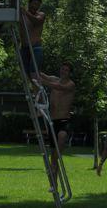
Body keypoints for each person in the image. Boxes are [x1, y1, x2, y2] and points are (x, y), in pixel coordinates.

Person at [39, 62, 76, 191]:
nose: (63, 71)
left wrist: (44, 82)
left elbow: (58, 87)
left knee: (62, 136)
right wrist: (32, 69)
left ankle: (54, 160)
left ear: (69, 73)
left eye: (66, 70)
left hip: (64, 120)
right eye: (62, 69)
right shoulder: (54, 79)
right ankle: (54, 184)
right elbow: (42, 75)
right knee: (54, 156)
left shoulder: (70, 85)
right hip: (53, 121)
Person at [19, 0, 46, 74]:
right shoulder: (22, 15)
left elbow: (36, 21)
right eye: (34, 4)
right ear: (29, 3)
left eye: (38, 5)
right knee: (26, 73)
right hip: (24, 48)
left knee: (34, 73)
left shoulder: (41, 14)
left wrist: (26, 13)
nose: (36, 6)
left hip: (35, 47)